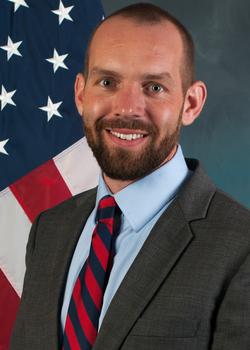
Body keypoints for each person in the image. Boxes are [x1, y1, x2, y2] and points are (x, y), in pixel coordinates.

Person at [10, 3, 250, 350]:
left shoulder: (240, 248)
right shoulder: (48, 231)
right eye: (107, 82)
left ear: (191, 103)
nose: (126, 107)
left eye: (154, 87)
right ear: (81, 94)